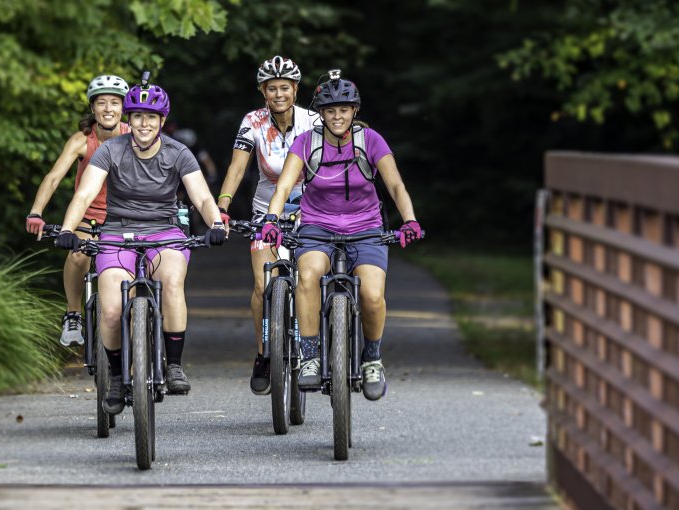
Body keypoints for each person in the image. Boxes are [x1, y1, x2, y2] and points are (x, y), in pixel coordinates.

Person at [55, 74, 227, 414]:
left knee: (171, 283)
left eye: (151, 117)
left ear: (162, 121)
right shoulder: (110, 150)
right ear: (128, 120)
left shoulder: (179, 153)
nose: (144, 123)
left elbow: (203, 198)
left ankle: (174, 365)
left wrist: (217, 224)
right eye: (137, 116)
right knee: (111, 309)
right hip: (117, 232)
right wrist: (68, 228)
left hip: (164, 231)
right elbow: (85, 193)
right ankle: (117, 377)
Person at [261, 70, 424, 401]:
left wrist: (409, 220)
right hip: (317, 226)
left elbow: (395, 185)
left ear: (355, 111)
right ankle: (309, 356)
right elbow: (283, 186)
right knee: (307, 275)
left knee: (372, 295)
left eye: (344, 109)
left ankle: (372, 358)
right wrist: (271, 219)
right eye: (330, 110)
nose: (337, 116)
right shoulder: (306, 143)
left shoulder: (371, 141)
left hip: (366, 228)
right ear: (320, 113)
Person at [214, 55, 319, 395]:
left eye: (284, 88)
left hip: (311, 210)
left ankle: (312, 348)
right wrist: (222, 207)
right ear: (263, 91)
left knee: (310, 278)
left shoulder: (314, 121)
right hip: (265, 213)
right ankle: (263, 354)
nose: (278, 94)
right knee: (263, 285)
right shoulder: (253, 121)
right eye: (271, 88)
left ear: (295, 90)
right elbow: (236, 169)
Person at [25, 75, 131, 346]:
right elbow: (53, 178)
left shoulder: (133, 136)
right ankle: (73, 314)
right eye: (101, 103)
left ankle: (146, 320)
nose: (108, 109)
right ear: (92, 108)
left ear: (123, 108)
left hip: (128, 217)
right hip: (91, 216)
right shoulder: (83, 140)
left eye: (115, 103)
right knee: (77, 256)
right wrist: (36, 212)